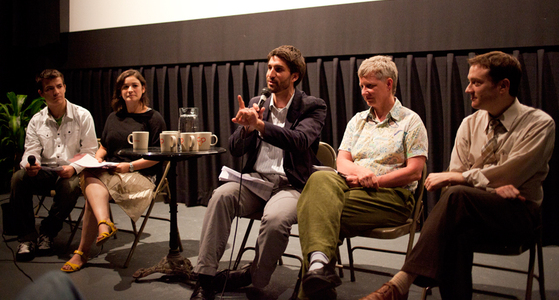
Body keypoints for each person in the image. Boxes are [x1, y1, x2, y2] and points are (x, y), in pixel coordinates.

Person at [363, 51, 556, 300]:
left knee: (457, 197)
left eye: (476, 82)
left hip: (518, 214)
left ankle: (401, 282)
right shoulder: (469, 124)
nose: (468, 89)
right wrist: (491, 186)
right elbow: (462, 177)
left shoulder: (539, 124)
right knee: (457, 226)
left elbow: (511, 173)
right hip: (471, 211)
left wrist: (468, 179)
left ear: (503, 86)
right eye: (469, 81)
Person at [190, 45, 327, 300]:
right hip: (256, 181)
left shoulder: (312, 106)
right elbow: (235, 149)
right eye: (269, 68)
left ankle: (252, 276)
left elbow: (298, 140)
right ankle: (205, 278)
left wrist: (260, 125)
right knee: (220, 196)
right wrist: (246, 129)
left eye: (278, 69)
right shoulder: (257, 103)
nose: (270, 74)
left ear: (294, 75)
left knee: (275, 220)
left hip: (291, 185)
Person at [296, 55, 428, 300]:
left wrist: (375, 180)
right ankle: (319, 270)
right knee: (320, 180)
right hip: (352, 188)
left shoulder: (411, 121)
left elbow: (414, 172)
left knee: (315, 212)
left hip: (392, 197)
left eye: (370, 86)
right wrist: (362, 174)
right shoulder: (358, 120)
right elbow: (342, 161)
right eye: (361, 86)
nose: (364, 92)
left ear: (389, 84)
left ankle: (313, 283)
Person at [61, 69, 166, 272]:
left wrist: (130, 166)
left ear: (143, 89)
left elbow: (158, 157)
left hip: (140, 174)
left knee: (93, 192)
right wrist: (97, 158)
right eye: (125, 86)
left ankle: (83, 250)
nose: (129, 90)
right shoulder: (113, 117)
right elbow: (105, 147)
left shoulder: (154, 119)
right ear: (120, 92)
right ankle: (103, 223)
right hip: (111, 171)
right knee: (89, 173)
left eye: (134, 85)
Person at [10, 69, 98, 261]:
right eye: (50, 88)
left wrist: (74, 168)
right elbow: (31, 150)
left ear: (65, 87)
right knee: (18, 178)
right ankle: (27, 238)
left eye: (59, 86)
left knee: (71, 186)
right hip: (46, 169)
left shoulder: (82, 115)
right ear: (41, 93)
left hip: (71, 170)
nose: (56, 92)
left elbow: (91, 152)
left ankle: (47, 233)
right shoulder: (36, 121)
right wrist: (30, 165)